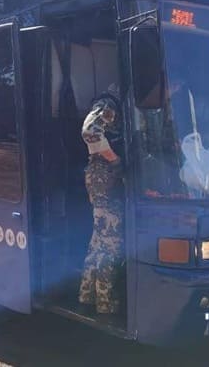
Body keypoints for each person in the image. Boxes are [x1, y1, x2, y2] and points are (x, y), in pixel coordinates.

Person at [78, 83, 124, 316]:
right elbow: (90, 131)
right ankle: (106, 302)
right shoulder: (110, 104)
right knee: (111, 242)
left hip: (99, 178)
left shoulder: (115, 103)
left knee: (100, 239)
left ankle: (87, 294)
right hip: (105, 177)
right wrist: (114, 159)